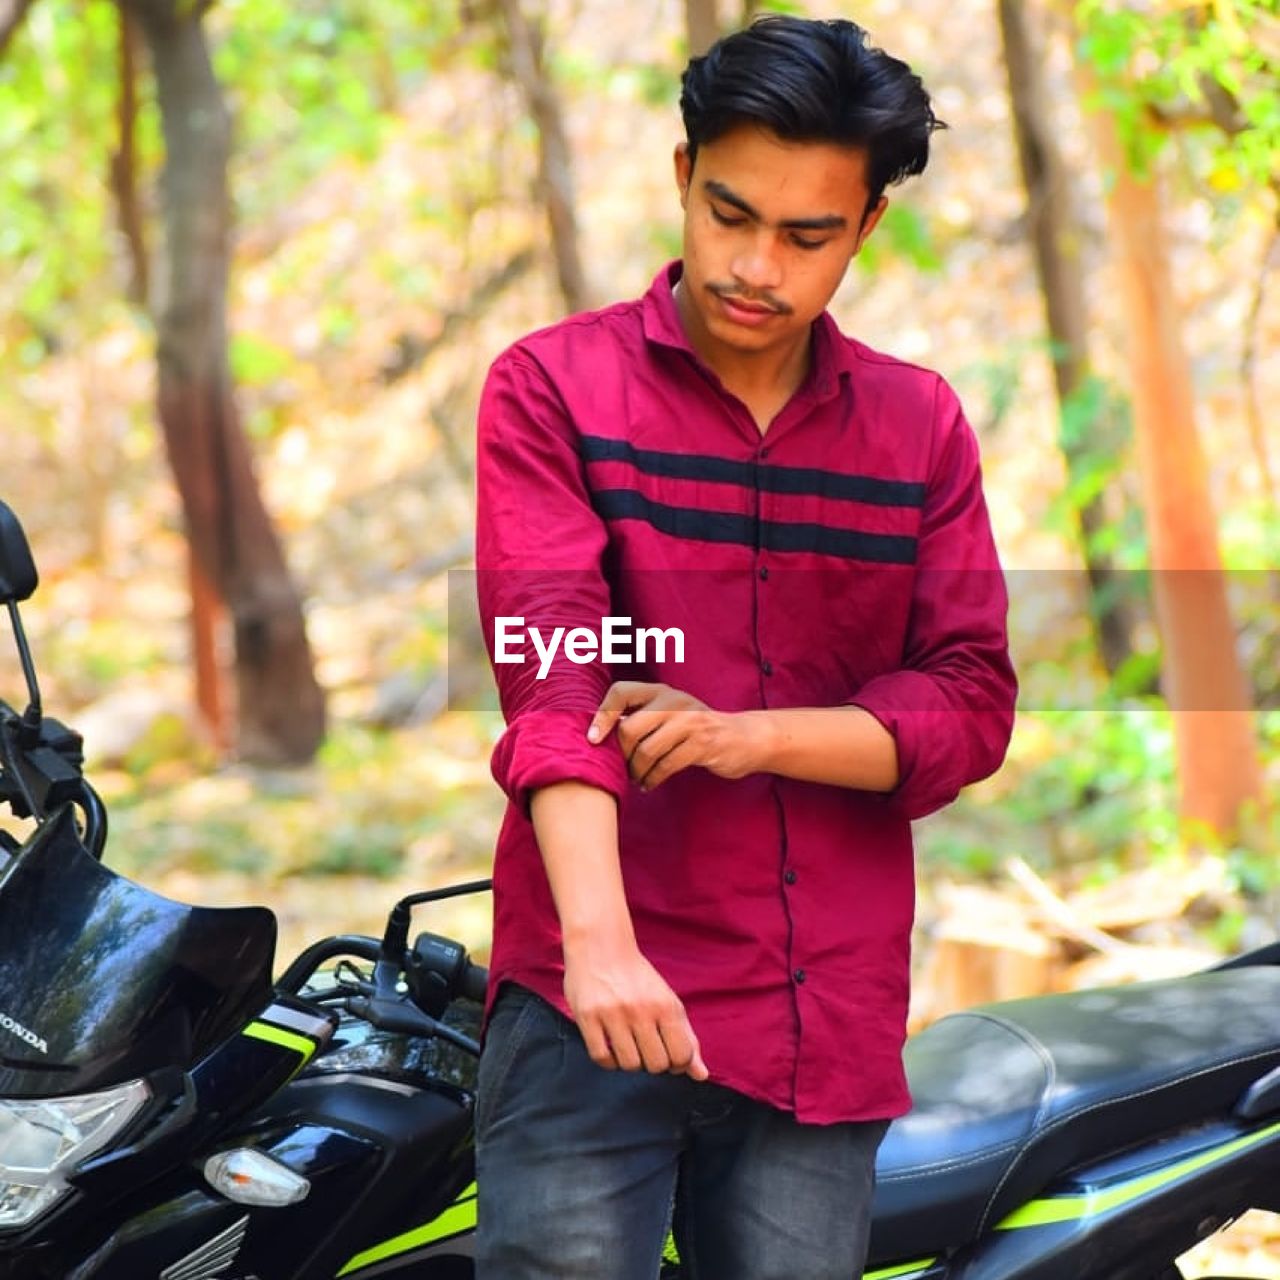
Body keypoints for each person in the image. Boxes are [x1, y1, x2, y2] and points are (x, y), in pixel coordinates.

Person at [472, 14, 1017, 1280]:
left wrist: (744, 734)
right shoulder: (552, 390)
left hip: (813, 1016)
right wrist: (599, 947)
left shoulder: (916, 427)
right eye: (728, 214)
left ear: (866, 228)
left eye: (806, 235)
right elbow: (550, 676)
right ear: (680, 177)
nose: (756, 265)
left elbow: (968, 703)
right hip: (589, 998)